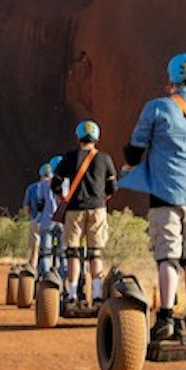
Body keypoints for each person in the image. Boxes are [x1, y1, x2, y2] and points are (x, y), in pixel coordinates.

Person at [120, 53, 186, 346]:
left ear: (172, 76)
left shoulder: (157, 107)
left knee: (168, 257)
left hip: (165, 193)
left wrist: (130, 163)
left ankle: (164, 318)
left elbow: (135, 150)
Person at [54, 121, 118, 305]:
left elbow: (56, 183)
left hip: (74, 209)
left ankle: (72, 294)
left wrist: (62, 198)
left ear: (78, 136)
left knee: (73, 253)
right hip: (97, 208)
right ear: (96, 137)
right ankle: (97, 296)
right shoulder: (104, 158)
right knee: (95, 253)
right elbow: (113, 187)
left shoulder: (70, 157)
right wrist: (102, 199)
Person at [21, 162, 60, 272]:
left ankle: (35, 269)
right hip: (58, 221)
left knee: (38, 246)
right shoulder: (57, 187)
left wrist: (33, 218)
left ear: (40, 174)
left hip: (38, 220)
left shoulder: (32, 188)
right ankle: (58, 270)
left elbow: (26, 208)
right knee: (59, 249)